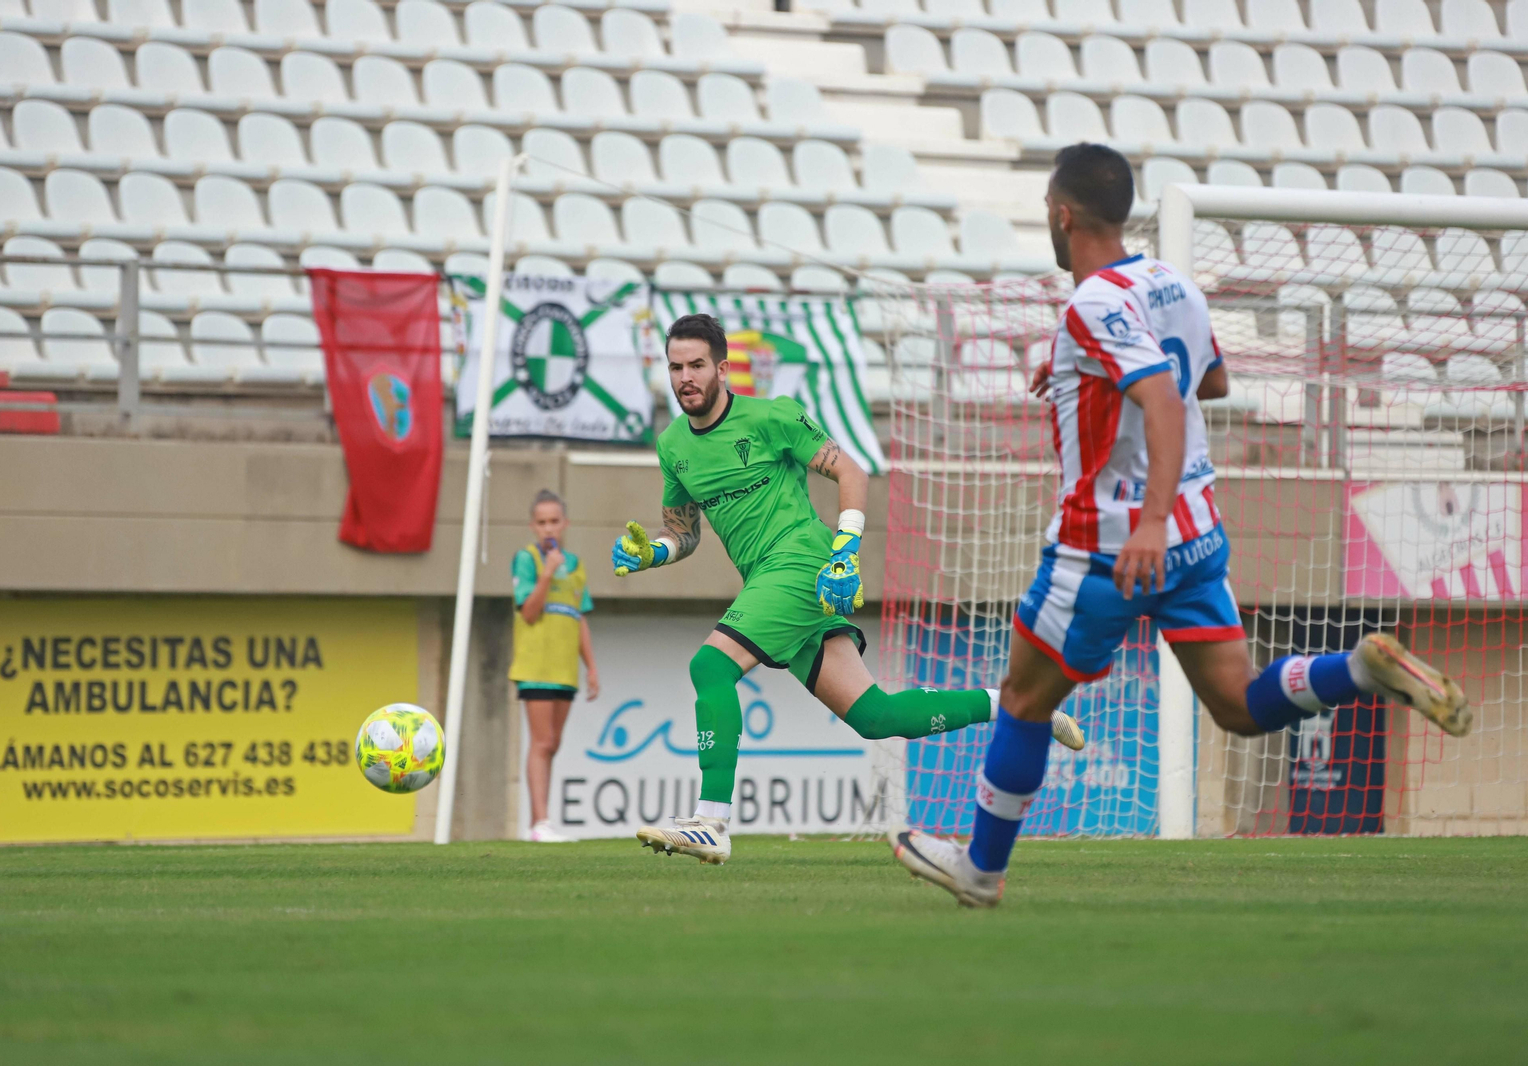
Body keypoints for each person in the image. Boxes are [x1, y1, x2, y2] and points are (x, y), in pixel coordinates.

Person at [889, 143, 1473, 907]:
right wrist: (1081, 373)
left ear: (1062, 215)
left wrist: (1148, 519)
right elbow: (1213, 380)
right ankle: (1359, 670)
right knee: (1237, 705)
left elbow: (1164, 398)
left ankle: (981, 871)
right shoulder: (1173, 284)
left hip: (1109, 544)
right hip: (1196, 537)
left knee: (1025, 702)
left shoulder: (1091, 303)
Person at [612, 313, 1088, 866]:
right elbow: (684, 532)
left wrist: (845, 552)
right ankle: (1016, 705)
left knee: (710, 667)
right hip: (770, 580)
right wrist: (654, 552)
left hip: (801, 561)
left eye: (696, 365)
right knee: (877, 717)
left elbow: (852, 473)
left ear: (721, 369)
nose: (685, 377)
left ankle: (711, 822)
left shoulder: (771, 416)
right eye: (675, 367)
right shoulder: (672, 445)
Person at [510, 489, 600, 844]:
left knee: (553, 743)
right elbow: (529, 613)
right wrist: (547, 574)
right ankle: (540, 822)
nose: (548, 528)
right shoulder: (527, 559)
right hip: (536, 665)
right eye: (542, 522)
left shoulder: (576, 565)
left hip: (565, 669)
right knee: (542, 741)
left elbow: (579, 618)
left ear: (565, 524)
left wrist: (591, 667)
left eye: (554, 521)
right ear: (533, 526)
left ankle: (540, 822)